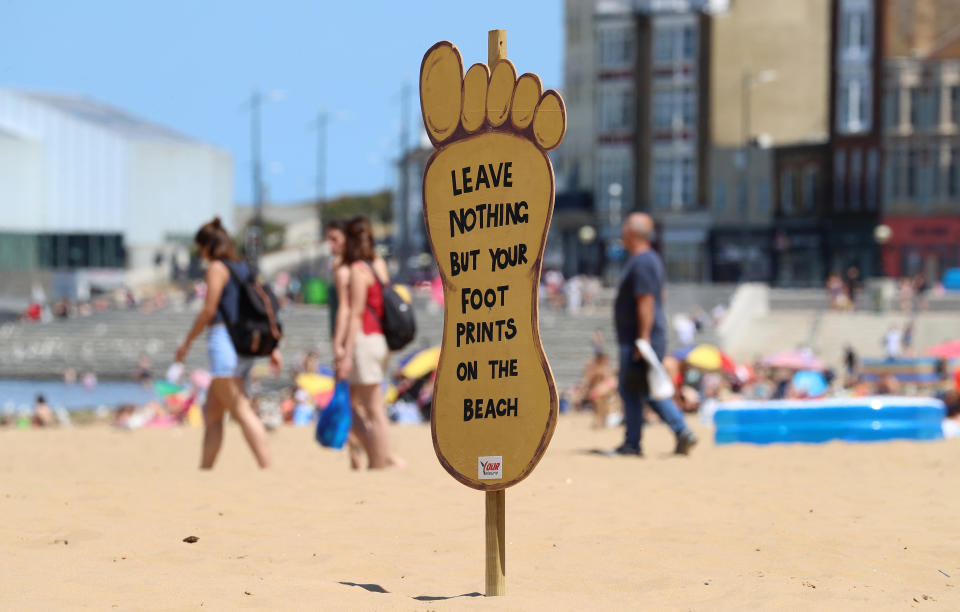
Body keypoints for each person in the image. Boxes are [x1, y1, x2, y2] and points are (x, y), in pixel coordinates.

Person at [175, 217, 279, 469]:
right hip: (242, 344)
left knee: (241, 409)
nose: (200, 253)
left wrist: (186, 343)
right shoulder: (242, 267)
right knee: (212, 414)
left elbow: (209, 310)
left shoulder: (217, 268)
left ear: (207, 246)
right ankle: (205, 471)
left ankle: (268, 468)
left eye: (200, 248)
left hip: (224, 342)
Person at [609, 213, 697, 456]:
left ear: (633, 233)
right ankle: (679, 432)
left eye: (624, 228)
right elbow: (661, 295)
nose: (621, 233)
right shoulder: (649, 260)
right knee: (644, 388)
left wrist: (643, 337)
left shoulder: (643, 261)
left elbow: (646, 300)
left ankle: (635, 442)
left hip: (638, 338)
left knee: (633, 388)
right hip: (642, 336)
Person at [336, 217, 404, 469]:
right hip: (381, 340)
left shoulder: (357, 270)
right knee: (374, 408)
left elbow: (355, 314)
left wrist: (345, 353)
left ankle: (378, 464)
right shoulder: (379, 264)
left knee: (373, 409)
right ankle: (380, 460)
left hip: (365, 339)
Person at [326, 218, 364, 469]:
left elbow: (346, 311)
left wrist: (339, 344)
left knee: (355, 400)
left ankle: (359, 452)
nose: (330, 245)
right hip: (353, 336)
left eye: (335, 239)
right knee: (355, 400)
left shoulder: (344, 268)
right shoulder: (351, 266)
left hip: (351, 337)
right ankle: (356, 450)